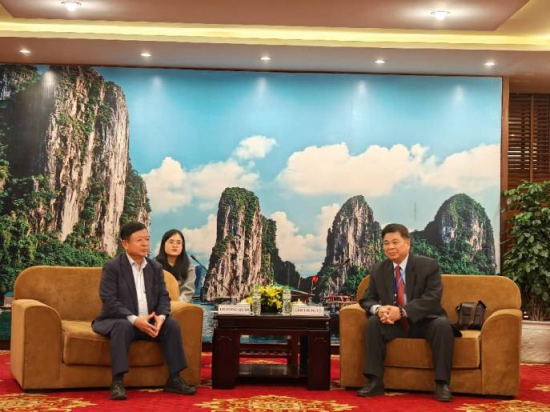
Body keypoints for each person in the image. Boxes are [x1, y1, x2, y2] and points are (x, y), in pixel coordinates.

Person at [92, 221, 196, 400]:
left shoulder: (155, 268)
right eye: (139, 240)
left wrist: (161, 317)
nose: (145, 244)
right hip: (120, 321)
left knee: (171, 325)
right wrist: (134, 319)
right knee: (123, 326)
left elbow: (164, 297)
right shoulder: (112, 267)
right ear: (125, 244)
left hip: (149, 322)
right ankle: (117, 382)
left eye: (147, 239)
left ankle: (174, 378)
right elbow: (109, 301)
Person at [358, 223, 455, 402]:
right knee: (373, 323)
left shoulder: (428, 265)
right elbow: (367, 299)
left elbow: (432, 298)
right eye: (386, 243)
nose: (390, 247)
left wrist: (403, 312)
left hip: (425, 321)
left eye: (395, 242)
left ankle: (442, 384)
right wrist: (379, 309)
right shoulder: (379, 269)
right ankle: (374, 381)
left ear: (407, 243)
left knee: (442, 325)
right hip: (394, 324)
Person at [155, 229, 196, 303]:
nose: (175, 246)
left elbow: (188, 291)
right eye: (171, 242)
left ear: (182, 246)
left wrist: (176, 305)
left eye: (179, 243)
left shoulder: (189, 267)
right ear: (163, 244)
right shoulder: (154, 265)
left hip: (182, 306)